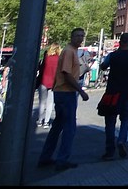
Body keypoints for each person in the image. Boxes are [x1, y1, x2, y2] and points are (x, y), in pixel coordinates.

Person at [38, 28, 90, 171]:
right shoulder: (68, 51)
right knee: (69, 128)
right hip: (66, 93)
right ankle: (62, 160)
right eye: (77, 36)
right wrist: (81, 91)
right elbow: (66, 74)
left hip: (62, 92)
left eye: (82, 36)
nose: (80, 38)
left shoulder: (70, 51)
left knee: (57, 127)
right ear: (71, 37)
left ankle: (45, 157)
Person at [97, 32, 128, 160]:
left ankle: (109, 150)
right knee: (125, 118)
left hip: (112, 92)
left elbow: (103, 67)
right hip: (127, 92)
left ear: (120, 42)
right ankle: (122, 140)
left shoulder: (112, 56)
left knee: (110, 121)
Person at [36, 43, 61, 129]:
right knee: (50, 103)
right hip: (54, 83)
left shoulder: (46, 57)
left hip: (43, 81)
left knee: (42, 102)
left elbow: (41, 68)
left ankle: (40, 120)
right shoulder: (59, 59)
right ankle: (46, 122)